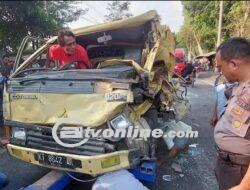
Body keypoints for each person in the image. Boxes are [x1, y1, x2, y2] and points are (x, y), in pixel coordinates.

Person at [214, 37, 250, 190]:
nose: (219, 72)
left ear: (234, 64)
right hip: (229, 165)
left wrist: (244, 186)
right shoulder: (239, 86)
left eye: (220, 67)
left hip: (240, 171)